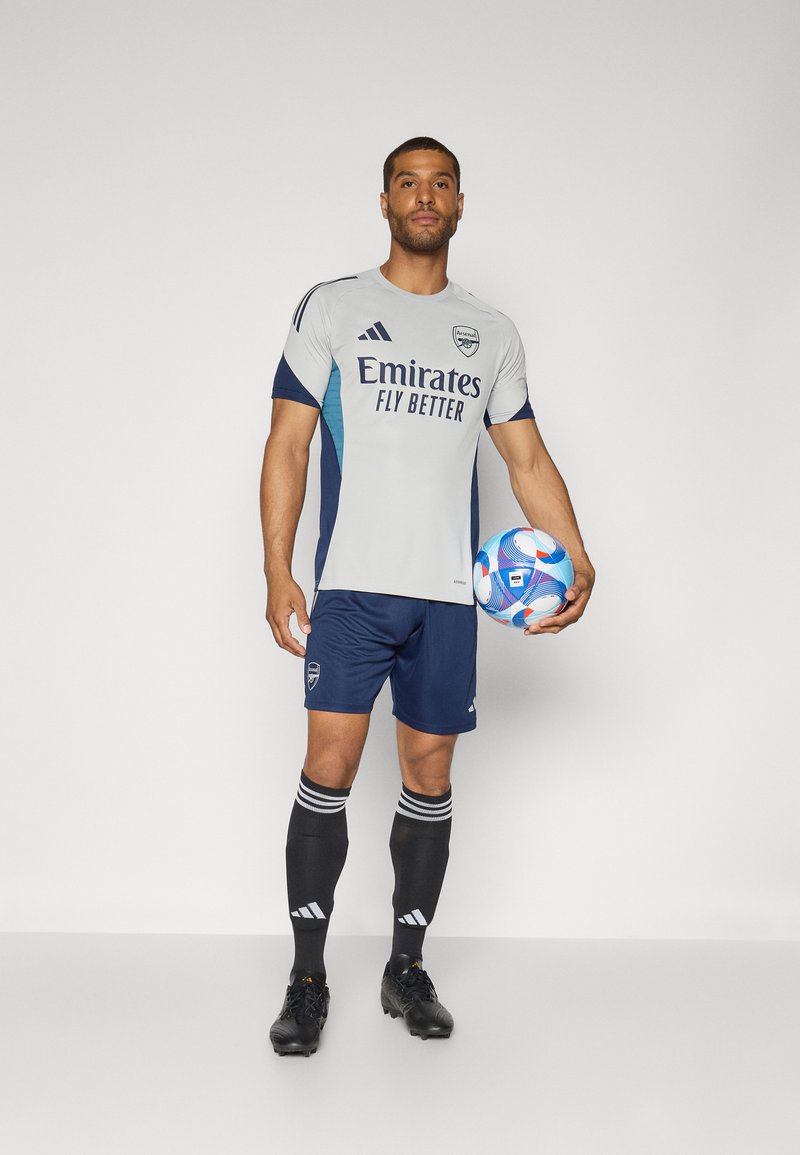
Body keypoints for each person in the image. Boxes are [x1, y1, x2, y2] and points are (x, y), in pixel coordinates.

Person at [260, 136, 595, 1056]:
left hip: (448, 596)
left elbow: (526, 457)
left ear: (458, 203)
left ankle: (405, 969)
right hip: (352, 588)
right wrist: (278, 566)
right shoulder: (333, 308)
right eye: (407, 182)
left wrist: (576, 552)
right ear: (384, 202)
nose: (423, 195)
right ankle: (307, 978)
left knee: (430, 774)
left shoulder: (490, 331)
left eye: (439, 183)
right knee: (328, 766)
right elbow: (287, 441)